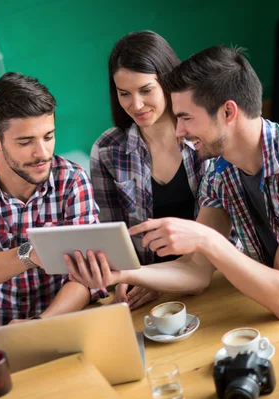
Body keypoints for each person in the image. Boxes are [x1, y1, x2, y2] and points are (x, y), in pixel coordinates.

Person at [66, 45, 279, 323]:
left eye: (185, 118)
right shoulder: (221, 173)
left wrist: (206, 239)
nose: (179, 131)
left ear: (228, 112)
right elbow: (196, 270)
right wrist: (123, 274)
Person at [0, 72, 107, 333]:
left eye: (48, 137)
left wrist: (39, 326)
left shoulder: (73, 180)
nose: (42, 153)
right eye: (26, 142)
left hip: (60, 322)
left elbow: (87, 279)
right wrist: (31, 253)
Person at [91, 31, 210, 310]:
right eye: (124, 94)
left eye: (146, 90)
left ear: (168, 82)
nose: (136, 104)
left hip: (215, 278)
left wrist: (156, 278)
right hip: (146, 294)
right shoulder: (108, 150)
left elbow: (228, 238)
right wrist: (127, 276)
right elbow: (112, 238)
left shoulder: (203, 136)